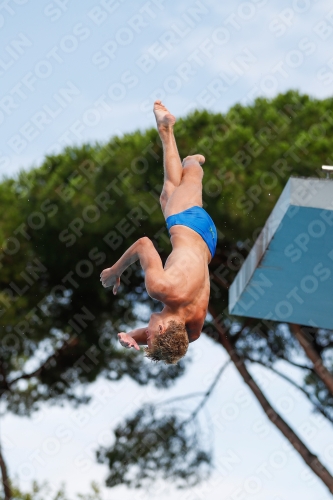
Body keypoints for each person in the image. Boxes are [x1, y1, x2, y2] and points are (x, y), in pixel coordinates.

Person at [100, 100, 217, 364]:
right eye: (148, 337)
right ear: (162, 330)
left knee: (168, 194)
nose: (145, 334)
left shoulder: (193, 329)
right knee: (189, 175)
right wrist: (115, 271)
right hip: (187, 223)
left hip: (207, 241)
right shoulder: (161, 289)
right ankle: (193, 160)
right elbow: (143, 244)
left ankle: (166, 131)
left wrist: (132, 336)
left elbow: (163, 339)